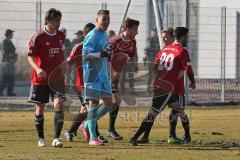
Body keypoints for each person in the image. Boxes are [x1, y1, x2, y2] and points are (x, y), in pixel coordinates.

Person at [130, 27, 192, 146]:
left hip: (170, 87)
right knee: (154, 113)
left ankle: (185, 136)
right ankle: (136, 137)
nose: (163, 39)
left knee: (179, 110)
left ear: (173, 37)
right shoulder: (177, 51)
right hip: (167, 87)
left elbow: (157, 67)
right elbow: (184, 69)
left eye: (165, 37)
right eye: (162, 37)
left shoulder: (166, 51)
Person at [27, 8, 66, 147]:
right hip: (40, 79)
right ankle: (41, 138)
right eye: (56, 20)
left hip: (57, 79)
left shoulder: (61, 35)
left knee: (59, 105)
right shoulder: (37, 37)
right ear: (48, 20)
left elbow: (62, 53)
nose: (58, 23)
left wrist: (64, 64)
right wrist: (38, 69)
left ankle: (56, 138)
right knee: (39, 107)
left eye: (59, 20)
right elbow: (30, 57)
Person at [64, 23, 108, 144]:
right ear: (85, 35)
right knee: (89, 109)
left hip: (95, 81)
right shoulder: (78, 47)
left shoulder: (99, 47)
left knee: (87, 109)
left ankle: (74, 131)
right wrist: (66, 79)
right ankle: (94, 135)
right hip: (82, 84)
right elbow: (69, 62)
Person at [80, 9, 112, 146]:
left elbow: (103, 53)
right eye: (103, 20)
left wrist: (107, 54)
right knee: (93, 105)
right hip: (92, 74)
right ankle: (93, 138)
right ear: (97, 21)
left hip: (103, 74)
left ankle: (87, 123)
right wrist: (101, 54)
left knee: (109, 103)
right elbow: (85, 55)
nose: (106, 22)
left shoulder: (104, 35)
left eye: (107, 19)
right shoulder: (92, 35)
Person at [108, 18, 139, 140]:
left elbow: (131, 54)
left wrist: (135, 63)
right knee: (114, 101)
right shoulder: (115, 40)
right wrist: (112, 71)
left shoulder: (132, 41)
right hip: (105, 75)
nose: (137, 32)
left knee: (111, 102)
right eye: (135, 30)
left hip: (117, 77)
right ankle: (109, 129)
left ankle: (81, 127)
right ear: (127, 28)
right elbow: (105, 57)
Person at [0, 29, 17, 96]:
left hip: (11, 63)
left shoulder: (9, 42)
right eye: (11, 33)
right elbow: (4, 53)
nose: (12, 35)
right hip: (6, 63)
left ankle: (10, 92)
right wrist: (12, 55)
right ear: (8, 34)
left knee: (11, 78)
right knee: (5, 78)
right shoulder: (4, 42)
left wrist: (14, 56)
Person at [143, 28, 160, 92]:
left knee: (157, 75)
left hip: (158, 60)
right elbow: (147, 49)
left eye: (155, 32)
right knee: (150, 75)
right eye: (153, 32)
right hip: (150, 60)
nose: (154, 33)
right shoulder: (149, 40)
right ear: (151, 33)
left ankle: (155, 88)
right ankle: (148, 89)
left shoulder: (159, 40)